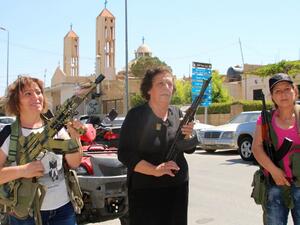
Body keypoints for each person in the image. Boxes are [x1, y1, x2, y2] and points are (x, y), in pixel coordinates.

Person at [0, 76, 84, 225]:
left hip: (63, 209)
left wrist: (75, 136)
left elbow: (74, 163)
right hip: (25, 214)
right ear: (16, 102)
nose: (36, 97)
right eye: (28, 94)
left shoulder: (56, 128)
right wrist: (23, 170)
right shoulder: (9, 134)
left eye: (38, 92)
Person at [118, 67, 197, 225]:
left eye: (169, 84)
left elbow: (189, 148)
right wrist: (155, 170)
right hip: (146, 192)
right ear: (149, 89)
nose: (167, 87)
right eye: (161, 83)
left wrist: (190, 135)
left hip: (177, 188)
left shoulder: (177, 113)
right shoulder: (136, 116)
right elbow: (125, 154)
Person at [252, 73, 300, 225]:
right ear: (272, 96)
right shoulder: (265, 119)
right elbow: (257, 147)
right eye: (277, 91)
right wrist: (274, 170)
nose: (283, 94)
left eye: (287, 89)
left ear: (295, 91)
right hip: (275, 185)